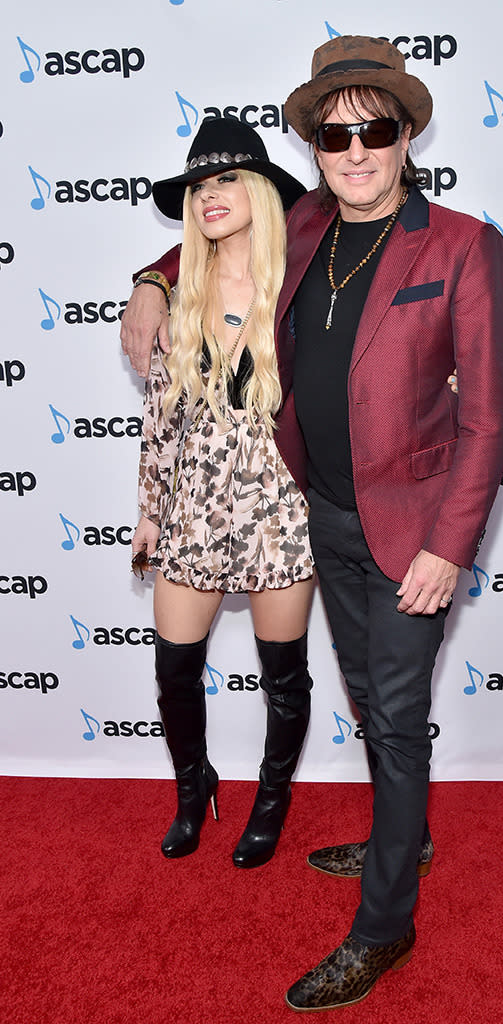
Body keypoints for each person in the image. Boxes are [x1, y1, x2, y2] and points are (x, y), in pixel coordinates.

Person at [121, 36, 503, 1013]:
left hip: (413, 531)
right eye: (333, 134)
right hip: (320, 517)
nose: (354, 150)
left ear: (405, 132)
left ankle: (385, 923)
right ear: (313, 146)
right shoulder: (302, 224)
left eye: (372, 129)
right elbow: (211, 231)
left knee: (390, 712)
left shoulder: (463, 244)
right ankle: (404, 831)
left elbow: (490, 416)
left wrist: (447, 546)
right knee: (373, 700)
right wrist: (150, 279)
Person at [130, 117, 316, 871]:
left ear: (263, 191)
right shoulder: (182, 293)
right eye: (200, 186)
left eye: (227, 180)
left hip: (280, 507)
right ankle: (191, 787)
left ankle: (271, 801)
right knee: (175, 666)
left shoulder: (301, 281)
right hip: (193, 503)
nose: (210, 195)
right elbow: (159, 422)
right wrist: (148, 510)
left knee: (283, 675)